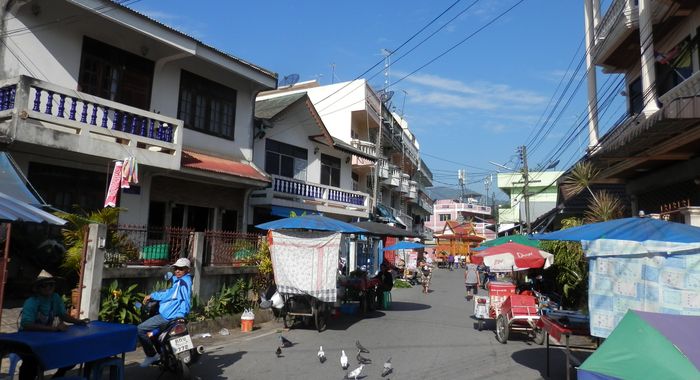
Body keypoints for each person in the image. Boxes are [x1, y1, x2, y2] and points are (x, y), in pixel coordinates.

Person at [18, 270, 90, 380]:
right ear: (37, 288)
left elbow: (63, 315)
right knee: (30, 364)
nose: (48, 287)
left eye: (51, 284)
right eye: (44, 285)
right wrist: (53, 329)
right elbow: (27, 324)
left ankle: (57, 377)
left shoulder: (55, 298)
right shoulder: (32, 302)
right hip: (28, 341)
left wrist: (78, 321)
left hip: (47, 339)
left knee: (71, 357)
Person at [138, 258, 193, 367]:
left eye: (181, 269)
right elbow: (173, 291)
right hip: (175, 317)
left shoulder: (182, 283)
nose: (177, 271)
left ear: (187, 270)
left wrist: (152, 295)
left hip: (168, 317)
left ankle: (152, 355)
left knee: (140, 329)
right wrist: (171, 277)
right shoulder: (181, 280)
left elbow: (182, 299)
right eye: (176, 268)